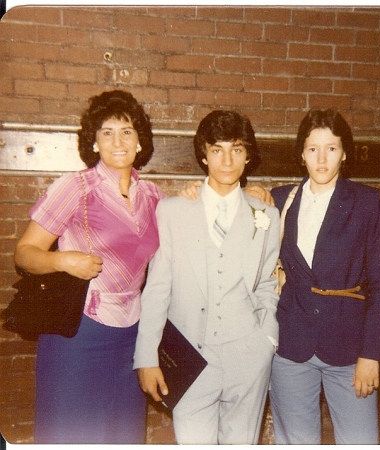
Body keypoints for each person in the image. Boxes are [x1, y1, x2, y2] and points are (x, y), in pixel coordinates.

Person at [14, 90, 167, 444]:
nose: (117, 141)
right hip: (79, 332)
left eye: (126, 131)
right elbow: (24, 253)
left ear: (140, 141)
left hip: (133, 335)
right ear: (94, 143)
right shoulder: (76, 186)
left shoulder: (153, 196)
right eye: (106, 132)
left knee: (123, 437)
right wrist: (61, 260)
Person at [133, 110, 280, 444]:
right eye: (217, 149)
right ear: (203, 154)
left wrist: (265, 342)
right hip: (190, 357)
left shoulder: (266, 215)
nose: (227, 160)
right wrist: (146, 356)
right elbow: (157, 288)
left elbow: (267, 285)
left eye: (237, 149)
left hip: (248, 356)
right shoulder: (172, 211)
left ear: (247, 156)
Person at [269, 108, 380, 444]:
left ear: (345, 153)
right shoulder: (280, 200)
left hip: (351, 348)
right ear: (301, 154)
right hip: (291, 346)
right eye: (313, 149)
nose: (322, 159)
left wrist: (372, 355)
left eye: (331, 148)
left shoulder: (367, 202)